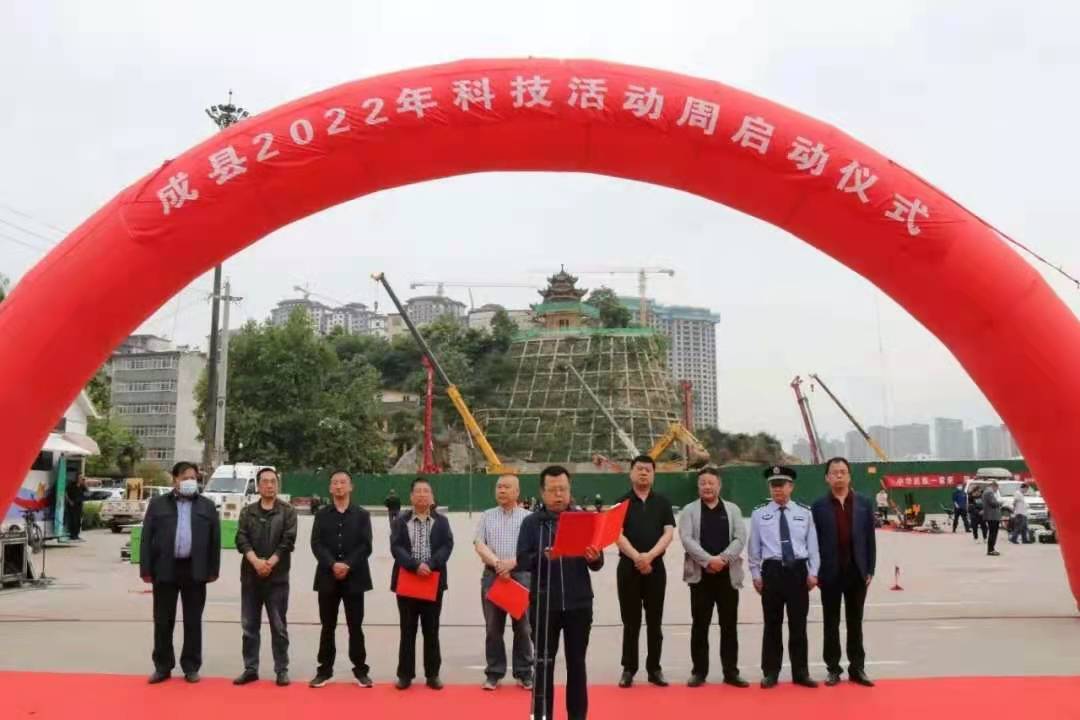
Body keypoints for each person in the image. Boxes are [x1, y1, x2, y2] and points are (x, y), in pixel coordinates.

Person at [517, 465, 604, 720]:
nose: (558, 495)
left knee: (577, 664)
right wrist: (543, 557)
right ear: (542, 492)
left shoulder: (583, 519)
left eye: (563, 489)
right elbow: (522, 560)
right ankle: (543, 715)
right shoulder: (532, 523)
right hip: (545, 605)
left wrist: (594, 557)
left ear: (570, 489)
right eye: (553, 490)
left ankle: (577, 716)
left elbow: (597, 564)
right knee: (544, 664)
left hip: (579, 604)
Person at [140, 461, 221, 684]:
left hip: (195, 569)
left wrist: (213, 570)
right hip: (164, 568)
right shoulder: (158, 505)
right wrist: (146, 569)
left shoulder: (207, 506)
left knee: (193, 620)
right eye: (185, 478)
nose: (190, 482)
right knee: (163, 620)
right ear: (175, 479)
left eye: (193, 478)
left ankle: (191, 666)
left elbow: (215, 541)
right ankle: (162, 666)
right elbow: (147, 538)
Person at [747, 465, 820, 689]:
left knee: (798, 625)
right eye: (773, 485)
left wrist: (813, 573)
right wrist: (756, 574)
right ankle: (771, 672)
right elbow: (754, 548)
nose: (777, 489)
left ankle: (801, 673)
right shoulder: (759, 514)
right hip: (772, 571)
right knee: (772, 624)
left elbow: (813, 546)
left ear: (791, 486)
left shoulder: (804, 513)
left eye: (781, 485)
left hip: (797, 571)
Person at [678, 467, 749, 688]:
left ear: (719, 485)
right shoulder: (689, 510)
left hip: (727, 577)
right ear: (698, 486)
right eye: (703, 483)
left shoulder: (733, 509)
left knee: (729, 626)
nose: (707, 487)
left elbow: (740, 538)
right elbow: (687, 539)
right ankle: (699, 672)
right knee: (700, 625)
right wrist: (708, 561)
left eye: (711, 483)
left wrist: (723, 559)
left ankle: (731, 672)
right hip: (701, 577)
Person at [810, 458, 876, 688]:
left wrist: (870, 569)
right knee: (831, 623)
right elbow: (813, 543)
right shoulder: (818, 507)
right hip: (830, 573)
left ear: (849, 476)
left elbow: (869, 539)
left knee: (855, 623)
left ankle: (857, 668)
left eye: (843, 472)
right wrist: (815, 571)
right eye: (834, 472)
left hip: (857, 572)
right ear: (827, 478)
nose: (839, 476)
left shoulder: (864, 504)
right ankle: (833, 669)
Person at [309, 471, 374, 688]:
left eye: (343, 482)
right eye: (335, 483)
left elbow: (366, 545)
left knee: (355, 626)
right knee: (327, 626)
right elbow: (316, 544)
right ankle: (324, 670)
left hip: (355, 578)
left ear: (350, 487)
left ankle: (361, 670)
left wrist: (347, 564)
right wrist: (332, 564)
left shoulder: (362, 515)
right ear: (330, 488)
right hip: (327, 578)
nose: (339, 486)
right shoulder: (321, 515)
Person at [615, 455, 676, 688]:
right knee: (630, 621)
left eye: (648, 470)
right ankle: (629, 668)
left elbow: (668, 533)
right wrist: (637, 557)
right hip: (628, 568)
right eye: (639, 469)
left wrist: (649, 556)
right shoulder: (621, 502)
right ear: (631, 473)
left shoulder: (662, 502)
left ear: (653, 475)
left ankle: (654, 669)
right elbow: (616, 534)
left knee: (654, 621)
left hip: (655, 568)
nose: (643, 473)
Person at [233, 467, 298, 687]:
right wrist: (256, 562)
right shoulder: (248, 511)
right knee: (249, 626)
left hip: (277, 578)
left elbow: (288, 540)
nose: (269, 485)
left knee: (279, 627)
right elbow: (241, 539)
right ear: (258, 485)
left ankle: (281, 669)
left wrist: (270, 563)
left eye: (273, 481)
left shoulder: (287, 511)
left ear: (277, 485)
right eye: (265, 481)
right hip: (250, 578)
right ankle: (250, 668)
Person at [391, 477, 454, 690]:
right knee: (407, 630)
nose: (422, 495)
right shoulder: (400, 520)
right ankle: (405, 675)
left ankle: (432, 674)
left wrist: (430, 564)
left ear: (432, 496)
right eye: (417, 491)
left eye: (426, 491)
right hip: (407, 580)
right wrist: (415, 565)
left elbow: (447, 546)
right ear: (411, 496)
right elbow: (396, 547)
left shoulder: (442, 521)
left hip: (432, 581)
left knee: (431, 630)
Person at [473, 474, 534, 691]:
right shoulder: (487, 516)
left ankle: (524, 672)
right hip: (493, 576)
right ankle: (494, 672)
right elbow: (479, 544)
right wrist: (498, 564)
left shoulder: (528, 518)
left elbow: (532, 549)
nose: (502, 490)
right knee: (493, 627)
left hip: (521, 576)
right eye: (499, 487)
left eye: (507, 487)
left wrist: (512, 564)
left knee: (523, 627)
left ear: (517, 492)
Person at [983, 481, 1003, 556]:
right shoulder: (989, 492)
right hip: (992, 516)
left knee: (992, 533)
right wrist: (1000, 503)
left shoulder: (987, 491)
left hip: (991, 516)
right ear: (994, 486)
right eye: (997, 488)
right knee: (993, 533)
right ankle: (991, 550)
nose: (996, 490)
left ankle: (991, 549)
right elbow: (993, 503)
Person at [65, 475, 87, 541]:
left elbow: (87, 492)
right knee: (73, 520)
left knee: (78, 521)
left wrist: (84, 484)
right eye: (80, 478)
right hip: (72, 505)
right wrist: (69, 501)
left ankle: (76, 535)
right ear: (77, 479)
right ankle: (72, 535)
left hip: (79, 505)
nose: (81, 479)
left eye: (82, 479)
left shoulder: (82, 486)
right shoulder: (71, 485)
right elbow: (65, 493)